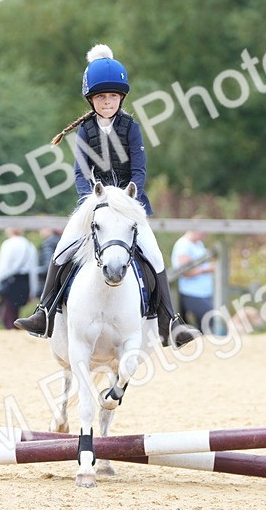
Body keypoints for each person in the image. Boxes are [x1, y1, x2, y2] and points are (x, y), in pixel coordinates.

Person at [14, 44, 200, 348]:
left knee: (155, 256)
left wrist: (127, 199)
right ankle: (44, 312)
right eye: (102, 97)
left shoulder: (131, 128)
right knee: (62, 250)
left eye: (113, 96)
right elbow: (80, 172)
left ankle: (170, 322)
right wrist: (94, 202)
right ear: (92, 100)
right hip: (94, 206)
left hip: (128, 206)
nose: (108, 102)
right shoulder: (85, 130)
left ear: (121, 98)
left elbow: (139, 171)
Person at [0, 228, 38, 329]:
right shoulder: (30, 245)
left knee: (7, 315)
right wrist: (32, 292)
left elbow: (3, 267)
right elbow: (33, 270)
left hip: (11, 282)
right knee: (14, 312)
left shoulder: (8, 244)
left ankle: (11, 336)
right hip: (24, 282)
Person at [171, 228, 217, 334]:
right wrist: (206, 270)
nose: (205, 235)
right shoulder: (183, 245)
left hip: (203, 292)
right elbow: (185, 271)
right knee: (210, 320)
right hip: (191, 292)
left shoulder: (198, 244)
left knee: (206, 324)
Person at [33, 227, 62, 300]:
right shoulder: (61, 241)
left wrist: (33, 271)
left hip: (47, 287)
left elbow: (48, 267)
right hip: (60, 285)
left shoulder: (48, 243)